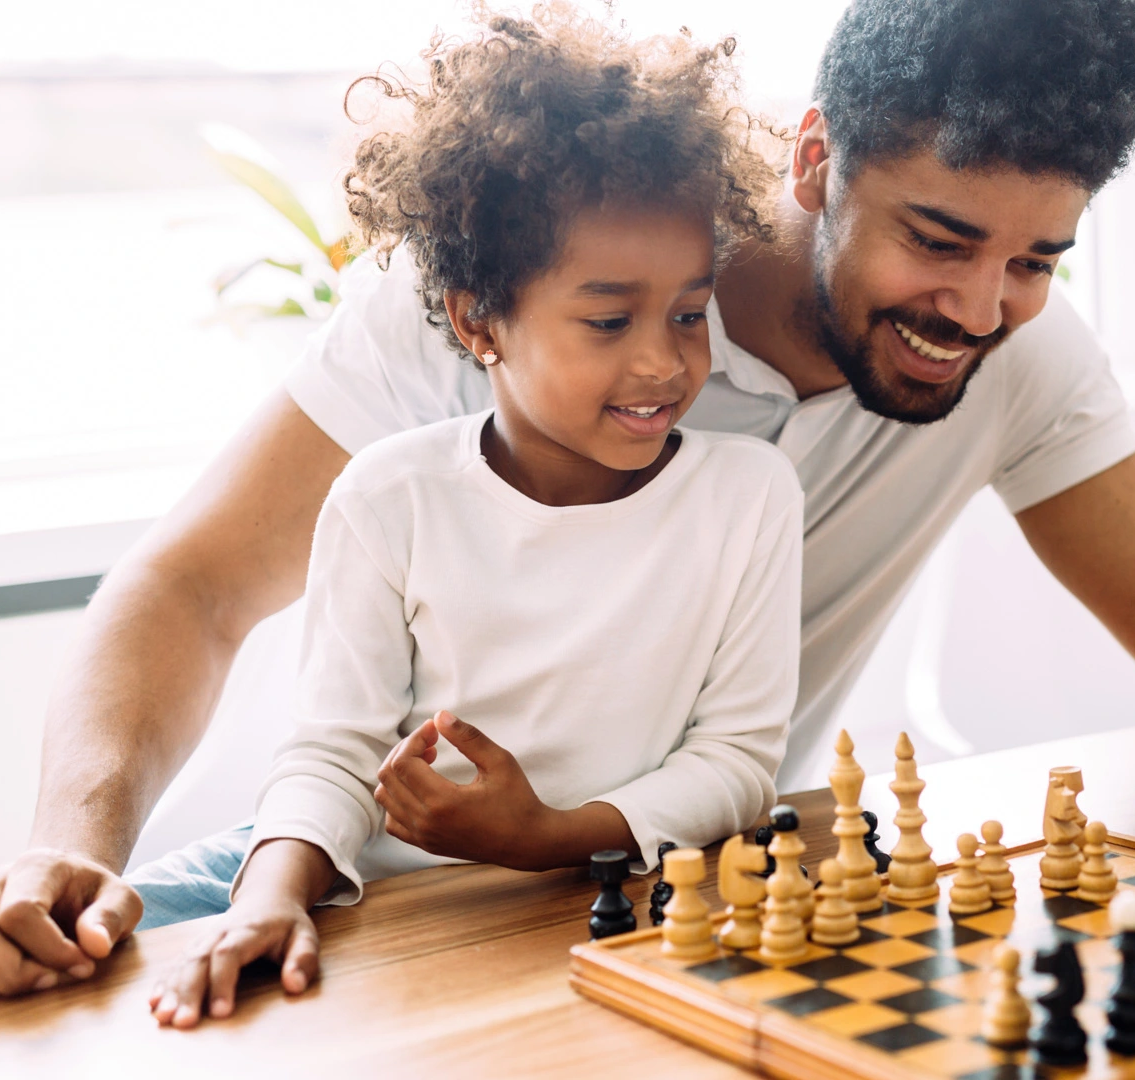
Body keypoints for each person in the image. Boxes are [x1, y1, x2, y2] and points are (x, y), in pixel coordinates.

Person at [0, 0, 1135, 996]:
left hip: (668, 905)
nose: (980, 309)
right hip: (359, 889)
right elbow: (194, 589)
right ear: (817, 157)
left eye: (1038, 259)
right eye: (938, 236)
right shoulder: (535, 285)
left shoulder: (1016, 359)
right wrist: (62, 841)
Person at [129, 9, 802, 1026]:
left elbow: (738, 764)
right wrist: (267, 899)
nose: (665, 362)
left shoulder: (747, 495)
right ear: (476, 319)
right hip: (338, 866)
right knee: (58, 941)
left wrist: (548, 834)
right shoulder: (389, 495)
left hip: (575, 885)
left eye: (689, 312)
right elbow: (332, 755)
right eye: (609, 320)